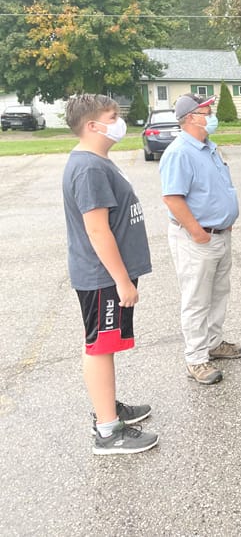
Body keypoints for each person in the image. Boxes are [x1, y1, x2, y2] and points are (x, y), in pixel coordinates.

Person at [62, 94, 159, 455]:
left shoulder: (98, 161)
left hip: (108, 276)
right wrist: (121, 280)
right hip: (102, 278)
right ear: (92, 126)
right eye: (112, 116)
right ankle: (107, 431)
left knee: (106, 344)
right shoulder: (89, 168)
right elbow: (97, 230)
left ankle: (109, 406)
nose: (119, 121)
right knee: (100, 347)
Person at [160, 94, 241, 385]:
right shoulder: (179, 152)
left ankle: (213, 343)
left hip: (219, 234)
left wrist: (226, 220)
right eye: (206, 110)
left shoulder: (208, 147)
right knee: (197, 300)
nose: (211, 114)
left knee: (219, 292)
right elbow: (172, 197)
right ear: (192, 118)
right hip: (197, 239)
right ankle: (196, 359)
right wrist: (197, 232)